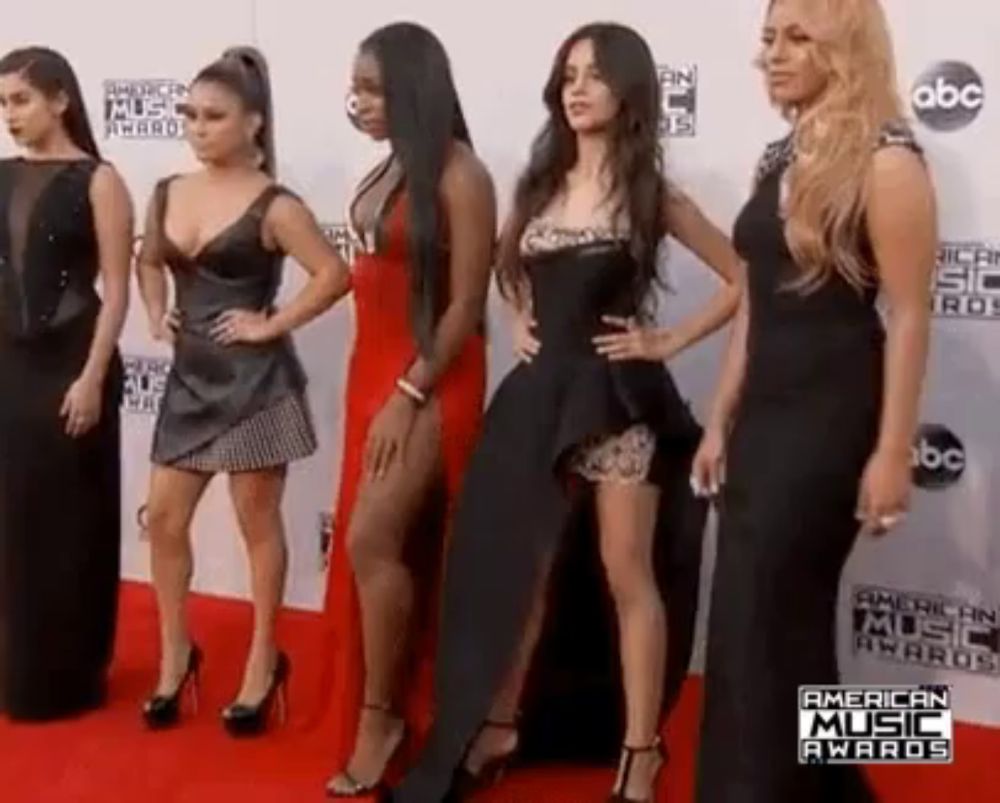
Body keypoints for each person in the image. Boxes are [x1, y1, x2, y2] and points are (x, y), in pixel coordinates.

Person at [388, 22, 743, 803]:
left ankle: (640, 750)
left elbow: (745, 275)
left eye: (594, 75)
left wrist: (671, 336)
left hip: (617, 401)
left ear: (630, 90)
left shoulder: (653, 193)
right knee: (524, 567)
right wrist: (518, 318)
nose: (576, 88)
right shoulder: (539, 183)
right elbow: (506, 266)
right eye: (567, 75)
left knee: (626, 571)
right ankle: (500, 723)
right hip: (539, 397)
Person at [692, 1, 936, 800]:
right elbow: (757, 303)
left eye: (799, 37)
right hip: (763, 414)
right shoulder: (776, 158)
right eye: (769, 38)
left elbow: (907, 314)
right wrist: (720, 418)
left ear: (847, 48)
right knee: (753, 627)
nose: (776, 54)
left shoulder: (890, 160)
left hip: (832, 414)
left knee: (771, 619)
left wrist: (894, 450)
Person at [135, 46, 351, 735]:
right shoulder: (168, 190)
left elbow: (333, 274)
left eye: (214, 116)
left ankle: (263, 658)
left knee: (258, 524)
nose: (198, 128)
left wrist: (274, 323)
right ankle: (176, 653)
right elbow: (147, 260)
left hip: (256, 385)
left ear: (254, 123)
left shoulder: (276, 204)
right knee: (164, 519)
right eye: (189, 115)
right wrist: (155, 311)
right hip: (190, 380)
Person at [322, 22, 494, 797]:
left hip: (432, 374)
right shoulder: (390, 166)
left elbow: (466, 304)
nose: (357, 103)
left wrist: (411, 389)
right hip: (372, 370)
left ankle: (384, 711)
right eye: (355, 88)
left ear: (417, 88)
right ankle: (383, 705)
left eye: (373, 88)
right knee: (375, 546)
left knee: (370, 537)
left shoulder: (462, 173)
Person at [0, 46, 132, 720]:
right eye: (3, 104)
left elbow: (115, 290)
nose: (10, 116)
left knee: (71, 523)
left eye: (20, 100)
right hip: (10, 365)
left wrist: (91, 376)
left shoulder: (99, 179)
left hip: (74, 363)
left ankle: (71, 674)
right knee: (14, 521)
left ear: (59, 99)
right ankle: (16, 669)